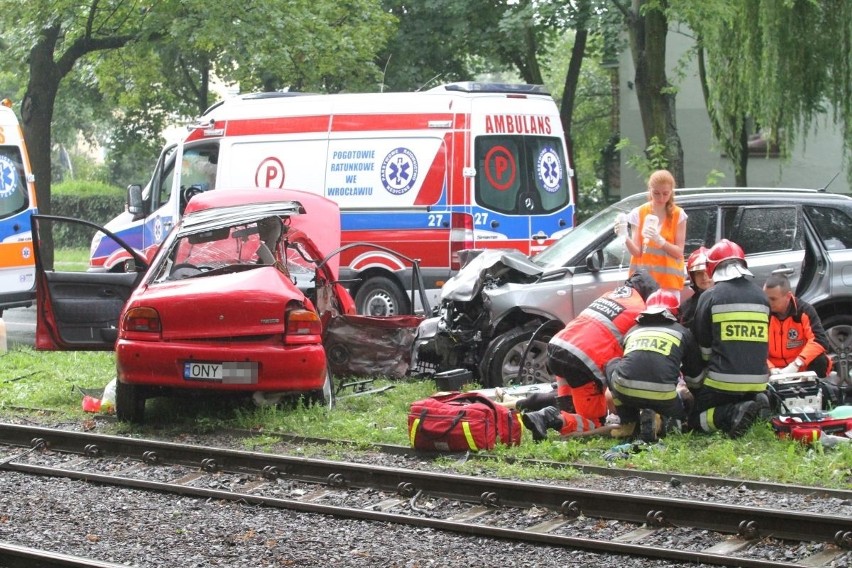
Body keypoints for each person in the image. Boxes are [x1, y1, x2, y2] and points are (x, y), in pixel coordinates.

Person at [520, 270, 659, 441]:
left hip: (557, 347)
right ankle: (546, 417)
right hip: (580, 362)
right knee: (594, 423)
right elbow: (631, 363)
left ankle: (552, 418)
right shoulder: (640, 309)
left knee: (571, 412)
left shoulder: (611, 295)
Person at [687, 239, 770, 438]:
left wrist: (703, 379)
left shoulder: (710, 296)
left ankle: (733, 412)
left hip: (722, 382)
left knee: (695, 420)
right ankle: (755, 403)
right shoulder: (762, 297)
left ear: (712, 267)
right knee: (743, 397)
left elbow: (703, 346)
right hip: (759, 380)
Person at [605, 290, 704, 442]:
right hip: (664, 396)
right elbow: (695, 378)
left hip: (626, 392)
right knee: (678, 422)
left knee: (612, 365)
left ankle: (629, 422)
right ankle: (662, 424)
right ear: (676, 313)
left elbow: (633, 367)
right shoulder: (682, 332)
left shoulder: (632, 331)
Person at [623, 169, 687, 295]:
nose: (661, 198)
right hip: (643, 284)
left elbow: (679, 252)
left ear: (671, 192)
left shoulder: (678, 215)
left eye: (665, 193)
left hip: (669, 285)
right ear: (650, 190)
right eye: (656, 193)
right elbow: (637, 252)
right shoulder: (639, 213)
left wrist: (660, 241)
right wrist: (624, 236)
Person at [763, 273, 833, 377]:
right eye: (766, 298)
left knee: (820, 360)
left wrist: (796, 364)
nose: (768, 302)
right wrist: (771, 368)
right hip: (773, 369)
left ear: (787, 296)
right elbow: (756, 346)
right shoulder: (763, 314)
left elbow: (819, 341)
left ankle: (817, 390)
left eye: (773, 299)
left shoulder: (804, 311)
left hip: (800, 366)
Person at [679, 246, 713, 331]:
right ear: (692, 277)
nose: (704, 277)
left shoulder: (726, 300)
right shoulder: (686, 308)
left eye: (707, 272)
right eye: (699, 273)